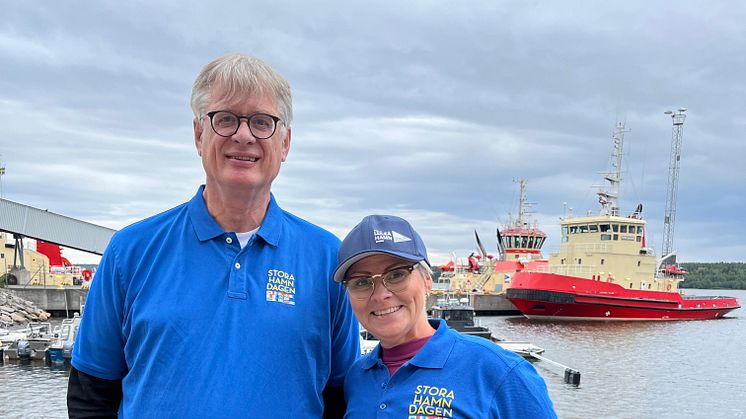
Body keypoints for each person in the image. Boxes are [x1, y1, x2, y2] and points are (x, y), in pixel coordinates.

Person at [67, 53, 360, 418]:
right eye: (225, 119)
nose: (243, 135)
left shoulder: (327, 259)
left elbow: (342, 396)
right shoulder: (130, 251)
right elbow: (91, 395)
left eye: (261, 121)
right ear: (199, 134)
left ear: (285, 143)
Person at [333, 215, 556, 418]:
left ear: (428, 280)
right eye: (362, 282)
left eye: (397, 274)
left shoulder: (499, 372)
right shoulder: (356, 378)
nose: (381, 295)